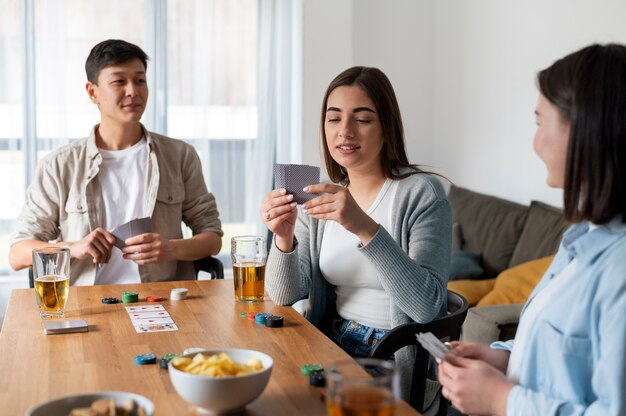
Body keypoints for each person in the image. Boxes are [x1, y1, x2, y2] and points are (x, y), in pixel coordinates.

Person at [438, 43, 626, 415]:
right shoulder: (581, 238)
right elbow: (565, 364)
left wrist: (502, 400)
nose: (535, 142)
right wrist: (501, 359)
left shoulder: (619, 270)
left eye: (540, 122)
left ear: (585, 131)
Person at [261, 66, 451, 402]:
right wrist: (283, 238)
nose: (345, 131)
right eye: (334, 119)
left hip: (393, 356)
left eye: (362, 119)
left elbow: (427, 307)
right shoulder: (319, 198)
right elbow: (284, 296)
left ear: (386, 127)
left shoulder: (422, 193)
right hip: (330, 343)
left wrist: (363, 226)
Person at [9, 39, 223, 285]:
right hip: (87, 303)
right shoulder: (58, 165)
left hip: (162, 300)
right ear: (93, 92)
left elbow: (213, 238)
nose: (133, 91)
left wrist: (171, 249)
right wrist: (73, 247)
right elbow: (17, 254)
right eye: (119, 81)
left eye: (140, 80)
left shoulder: (180, 155)